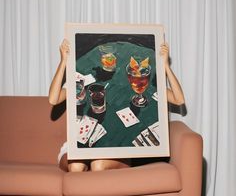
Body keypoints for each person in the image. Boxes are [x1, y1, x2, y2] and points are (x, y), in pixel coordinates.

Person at [48, 39, 185, 172]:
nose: (138, 76)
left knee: (98, 166)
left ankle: (120, 171)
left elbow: (178, 100)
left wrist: (165, 65)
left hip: (111, 149)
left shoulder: (148, 87)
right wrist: (64, 61)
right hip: (78, 146)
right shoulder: (79, 85)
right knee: (75, 167)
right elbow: (54, 99)